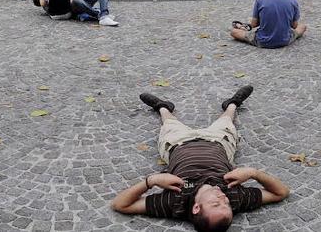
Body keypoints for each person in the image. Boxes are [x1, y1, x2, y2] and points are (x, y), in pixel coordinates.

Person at [111, 85, 290, 226]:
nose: (223, 200)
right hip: (219, 142)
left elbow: (120, 204)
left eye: (215, 204)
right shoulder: (235, 196)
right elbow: (281, 192)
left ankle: (163, 107)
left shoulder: (175, 202)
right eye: (226, 205)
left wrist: (151, 181)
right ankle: (233, 104)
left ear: (196, 208)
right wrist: (253, 173)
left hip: (178, 144)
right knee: (227, 119)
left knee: (168, 123)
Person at [230, 0, 306, 48]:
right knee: (302, 26)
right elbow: (294, 25)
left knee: (234, 32)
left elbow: (254, 24)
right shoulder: (292, 0)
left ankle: (242, 29)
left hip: (263, 40)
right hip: (285, 40)